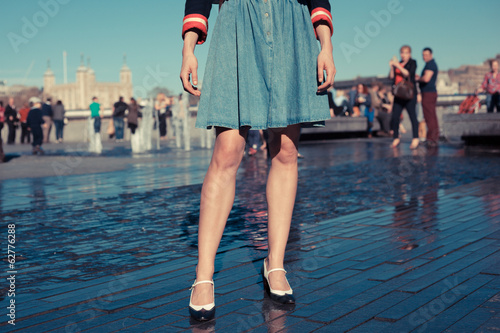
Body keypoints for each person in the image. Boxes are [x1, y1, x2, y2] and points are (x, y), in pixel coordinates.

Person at [180, 0, 335, 321]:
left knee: (286, 151)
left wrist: (326, 44)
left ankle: (275, 263)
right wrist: (188, 49)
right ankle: (203, 274)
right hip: (236, 23)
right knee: (227, 151)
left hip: (291, 23)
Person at [389, 45, 419, 149]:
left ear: (409, 54)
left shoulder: (412, 62)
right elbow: (391, 77)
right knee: (395, 116)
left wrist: (397, 65)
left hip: (409, 93)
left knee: (412, 116)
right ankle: (396, 138)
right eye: (402, 53)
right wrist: (391, 67)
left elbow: (407, 74)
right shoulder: (398, 64)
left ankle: (415, 138)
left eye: (406, 53)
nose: (404, 55)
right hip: (398, 93)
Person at [418, 47, 439, 147]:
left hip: (428, 93)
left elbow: (426, 79)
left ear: (431, 55)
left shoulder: (430, 64)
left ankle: (431, 138)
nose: (424, 57)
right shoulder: (429, 64)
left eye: (426, 55)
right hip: (429, 93)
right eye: (423, 55)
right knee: (431, 116)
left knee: (429, 116)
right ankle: (433, 137)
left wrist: (418, 78)